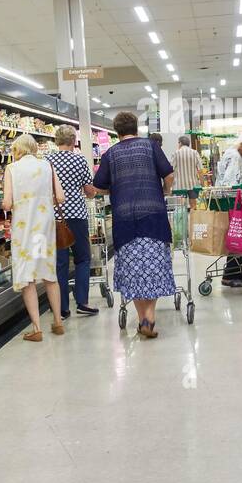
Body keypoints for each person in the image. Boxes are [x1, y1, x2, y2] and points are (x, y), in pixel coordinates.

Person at [88, 111, 175, 338]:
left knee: (132, 270)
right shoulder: (150, 146)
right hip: (153, 215)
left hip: (124, 220)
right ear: (136, 127)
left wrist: (115, 189)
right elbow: (169, 174)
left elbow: (98, 186)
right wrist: (165, 191)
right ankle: (150, 315)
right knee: (155, 266)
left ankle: (142, 317)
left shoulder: (110, 154)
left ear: (116, 132)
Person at [3, 133, 66, 341]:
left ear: (17, 150)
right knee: (49, 272)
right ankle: (57, 322)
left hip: (23, 228)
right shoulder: (47, 166)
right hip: (44, 226)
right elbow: (61, 197)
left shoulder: (12, 169)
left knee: (26, 275)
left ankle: (37, 328)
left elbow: (6, 202)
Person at [45, 125, 98, 319]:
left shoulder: (47, 160)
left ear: (56, 140)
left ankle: (62, 308)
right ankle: (82, 302)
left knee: (60, 263)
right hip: (77, 216)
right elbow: (89, 190)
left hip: (54, 218)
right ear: (73, 141)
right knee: (82, 259)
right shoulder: (79, 160)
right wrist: (91, 194)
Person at [215, 130, 242, 288]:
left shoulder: (234, 153)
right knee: (238, 237)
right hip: (234, 202)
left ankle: (238, 274)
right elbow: (231, 183)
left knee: (238, 237)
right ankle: (231, 275)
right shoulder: (235, 156)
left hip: (232, 202)